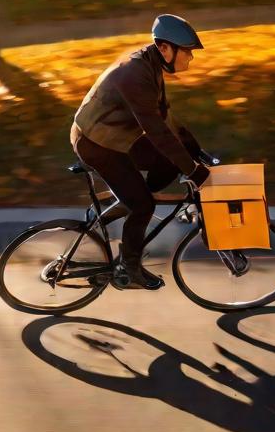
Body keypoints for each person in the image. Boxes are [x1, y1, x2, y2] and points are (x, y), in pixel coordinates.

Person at [70, 14, 211, 290]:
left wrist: (195, 150)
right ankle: (130, 267)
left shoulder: (151, 65)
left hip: (116, 136)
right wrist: (193, 171)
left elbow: (166, 117)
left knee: (170, 164)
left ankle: (124, 202)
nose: (190, 59)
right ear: (165, 48)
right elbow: (157, 131)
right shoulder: (135, 74)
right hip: (95, 143)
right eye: (187, 53)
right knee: (144, 204)